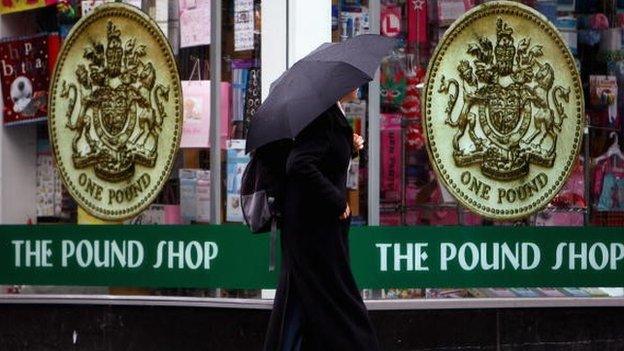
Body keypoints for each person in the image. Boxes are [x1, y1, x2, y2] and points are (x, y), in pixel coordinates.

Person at [263, 89, 379, 351]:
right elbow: (300, 164)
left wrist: (350, 147)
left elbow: (325, 159)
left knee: (305, 297)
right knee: (336, 297)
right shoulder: (324, 118)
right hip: (316, 230)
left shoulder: (332, 115)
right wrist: (337, 201)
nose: (358, 86)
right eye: (353, 82)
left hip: (314, 229)